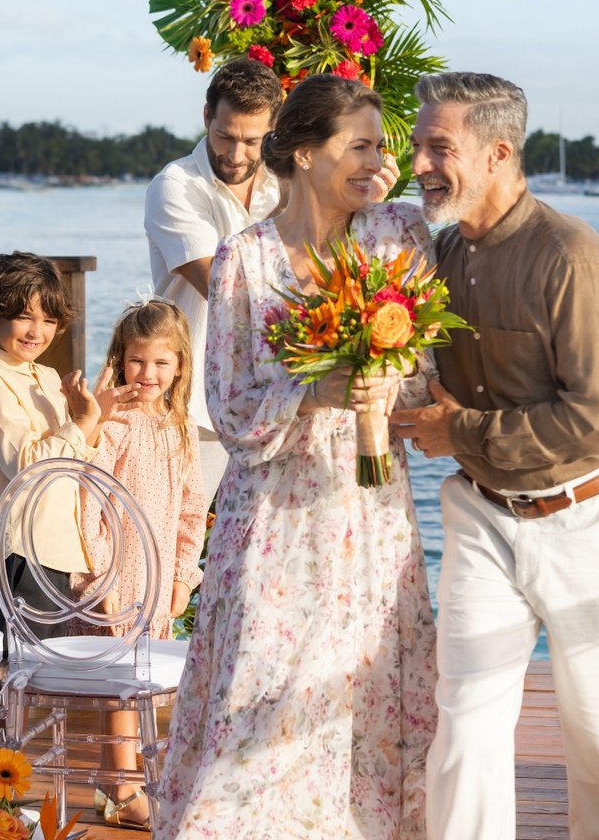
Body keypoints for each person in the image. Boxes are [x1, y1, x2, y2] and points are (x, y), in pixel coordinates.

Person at [153, 74, 438, 840]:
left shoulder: (399, 237)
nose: (378, 161)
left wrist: (385, 377)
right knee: (262, 678)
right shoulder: (243, 260)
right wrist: (319, 389)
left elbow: (430, 374)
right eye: (361, 146)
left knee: (364, 684)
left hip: (371, 512)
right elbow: (231, 405)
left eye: (382, 146)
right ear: (306, 153)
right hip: (275, 516)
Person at [391, 72, 599, 840]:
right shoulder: (440, 256)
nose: (420, 165)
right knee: (465, 725)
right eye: (417, 146)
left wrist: (464, 433)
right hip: (482, 517)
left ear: (498, 152)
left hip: (590, 520)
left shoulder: (572, 259)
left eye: (439, 147)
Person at [71, 299, 208, 831]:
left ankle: (125, 780)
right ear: (119, 361)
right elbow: (90, 501)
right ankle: (122, 787)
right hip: (116, 576)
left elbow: (193, 508)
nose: (147, 374)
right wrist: (101, 576)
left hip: (156, 578)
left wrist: (182, 575)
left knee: (141, 681)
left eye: (160, 363)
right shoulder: (115, 425)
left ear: (179, 367)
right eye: (136, 361)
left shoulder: (180, 426)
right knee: (120, 684)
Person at [0, 250, 125, 642]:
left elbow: (70, 466)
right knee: (17, 671)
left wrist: (94, 419)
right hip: (18, 549)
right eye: (24, 317)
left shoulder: (48, 376)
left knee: (37, 674)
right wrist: (82, 422)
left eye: (48, 320)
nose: (37, 331)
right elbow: (29, 466)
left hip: (55, 547)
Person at [144, 58, 285, 510]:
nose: (236, 154)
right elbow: (222, 288)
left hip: (274, 399)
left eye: (251, 141)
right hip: (193, 405)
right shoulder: (176, 186)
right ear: (207, 117)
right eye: (226, 136)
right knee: (171, 543)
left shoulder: (284, 185)